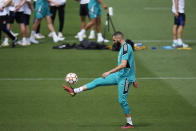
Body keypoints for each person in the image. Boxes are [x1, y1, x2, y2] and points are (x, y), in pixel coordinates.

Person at [64, 31, 137, 129]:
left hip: (126, 79)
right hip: (119, 75)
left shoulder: (125, 48)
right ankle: (75, 91)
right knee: (98, 81)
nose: (113, 42)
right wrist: (135, 77)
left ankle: (130, 123)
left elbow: (124, 64)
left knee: (122, 100)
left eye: (114, 40)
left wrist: (109, 72)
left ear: (118, 38)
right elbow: (132, 62)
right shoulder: (125, 47)